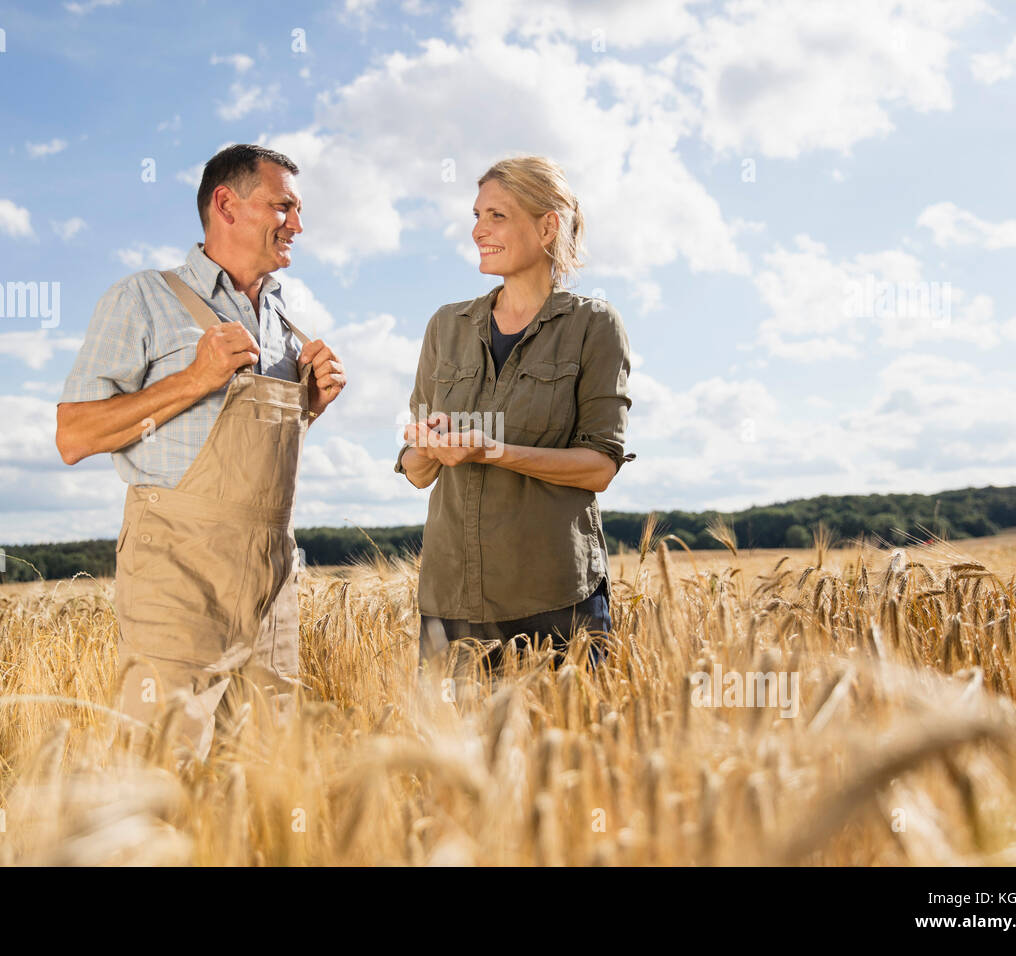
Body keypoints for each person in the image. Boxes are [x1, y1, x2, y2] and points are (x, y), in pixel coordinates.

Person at [55, 144, 346, 760]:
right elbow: (75, 436)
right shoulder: (142, 298)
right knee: (160, 767)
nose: (298, 224)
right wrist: (194, 376)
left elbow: (249, 451)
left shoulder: (282, 318)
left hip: (272, 578)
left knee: (268, 773)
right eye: (284, 206)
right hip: (177, 571)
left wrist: (310, 405)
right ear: (226, 204)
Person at [396, 156, 634, 669]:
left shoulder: (594, 326)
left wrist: (493, 451)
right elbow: (416, 472)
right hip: (451, 602)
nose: (478, 230)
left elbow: (599, 467)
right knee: (452, 751)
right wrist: (428, 448)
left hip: (553, 602)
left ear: (547, 225)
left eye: (497, 216)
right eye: (476, 215)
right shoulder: (446, 326)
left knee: (564, 747)